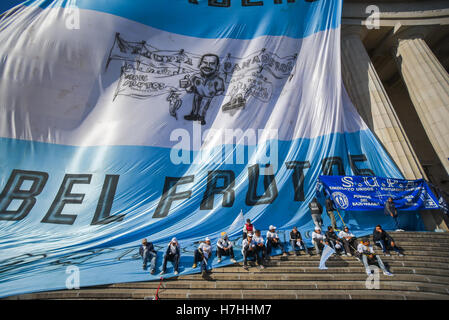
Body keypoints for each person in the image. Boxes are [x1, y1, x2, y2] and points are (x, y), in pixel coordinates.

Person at [182, 54, 225, 125]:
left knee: (204, 107)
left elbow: (220, 90)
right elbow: (191, 87)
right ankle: (194, 115)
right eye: (205, 63)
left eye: (212, 64)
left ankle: (201, 117)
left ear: (217, 67)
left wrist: (214, 94)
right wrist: (189, 88)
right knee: (195, 104)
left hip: (207, 96)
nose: (208, 66)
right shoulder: (196, 77)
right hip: (197, 94)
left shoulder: (217, 80)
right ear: (200, 64)